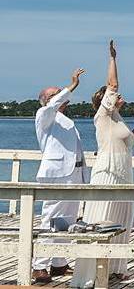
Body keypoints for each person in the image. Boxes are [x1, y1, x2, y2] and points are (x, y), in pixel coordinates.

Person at [73, 41, 134, 287]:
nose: (118, 95)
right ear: (104, 101)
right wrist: (112, 58)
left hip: (123, 174)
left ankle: (115, 268)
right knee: (102, 221)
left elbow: (123, 141)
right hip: (107, 173)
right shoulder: (102, 115)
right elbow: (113, 84)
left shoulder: (118, 118)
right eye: (113, 95)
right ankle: (89, 273)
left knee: (122, 223)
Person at [31, 66, 87, 284]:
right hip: (56, 174)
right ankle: (39, 265)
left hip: (73, 173)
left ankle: (59, 261)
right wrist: (71, 85)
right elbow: (53, 105)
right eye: (54, 95)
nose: (60, 97)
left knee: (67, 220)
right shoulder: (44, 116)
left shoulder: (66, 121)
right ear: (46, 100)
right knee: (50, 217)